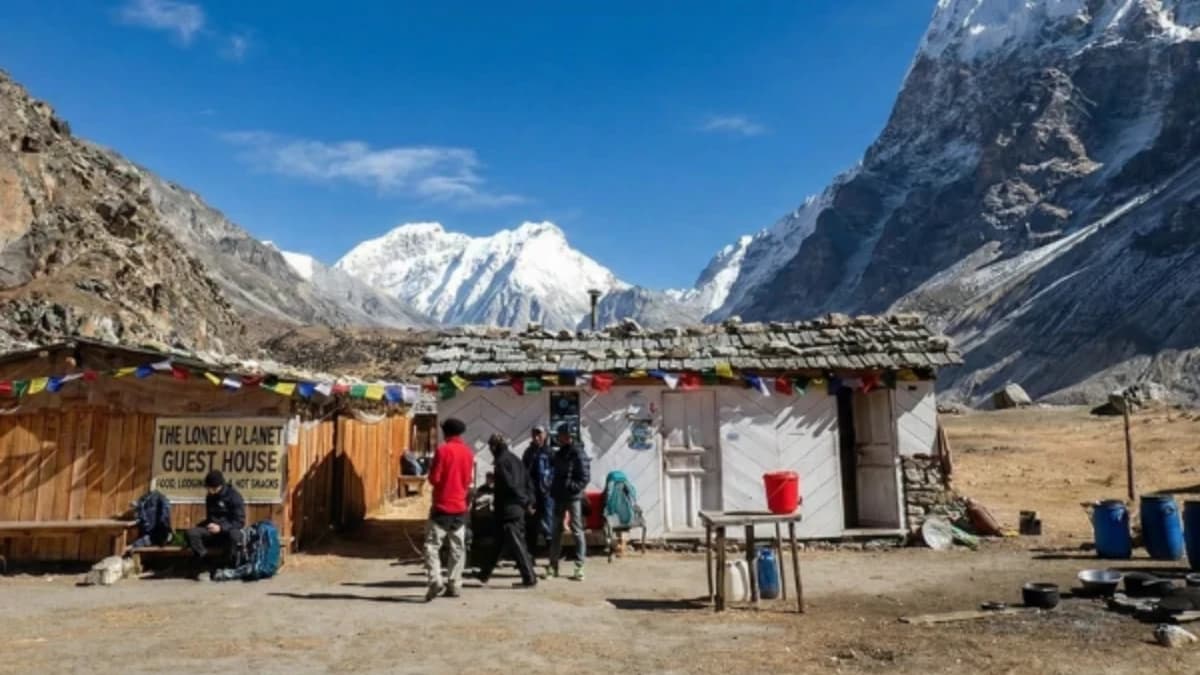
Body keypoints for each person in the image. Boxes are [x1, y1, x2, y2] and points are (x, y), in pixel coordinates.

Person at [476, 435, 538, 588]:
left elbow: (510, 485)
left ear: (494, 447)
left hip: (509, 509)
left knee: (517, 544)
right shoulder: (515, 460)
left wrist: (525, 502)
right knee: (497, 542)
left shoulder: (501, 462)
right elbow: (528, 481)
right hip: (514, 508)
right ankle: (484, 573)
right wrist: (529, 500)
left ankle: (529, 577)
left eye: (490, 447)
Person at [423, 417, 474, 602]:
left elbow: (434, 479)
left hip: (442, 507)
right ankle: (454, 583)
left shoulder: (443, 451)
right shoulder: (468, 453)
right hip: (460, 508)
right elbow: (468, 481)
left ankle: (435, 579)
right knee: (458, 549)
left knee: (431, 547)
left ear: (446, 432)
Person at [548, 424, 590, 581]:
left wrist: (573, 487)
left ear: (567, 436)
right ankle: (553, 566)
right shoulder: (560, 453)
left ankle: (579, 566)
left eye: (560, 435)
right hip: (559, 496)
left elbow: (585, 476)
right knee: (555, 531)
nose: (558, 438)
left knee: (577, 530)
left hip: (573, 497)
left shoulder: (578, 453)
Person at [185, 470, 246, 568]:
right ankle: (204, 561)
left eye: (210, 488)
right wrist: (204, 525)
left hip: (227, 532)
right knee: (191, 533)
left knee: (235, 535)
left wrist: (221, 527)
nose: (208, 490)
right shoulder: (210, 497)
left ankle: (226, 565)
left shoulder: (234, 496)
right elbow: (211, 517)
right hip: (212, 531)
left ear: (218, 486)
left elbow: (239, 521)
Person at [522, 425, 554, 560]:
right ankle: (530, 556)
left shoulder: (550, 452)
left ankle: (552, 557)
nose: (536, 437)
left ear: (545, 435)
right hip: (532, 495)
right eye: (534, 434)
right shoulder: (528, 453)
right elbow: (523, 473)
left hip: (547, 494)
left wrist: (550, 485)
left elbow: (555, 472)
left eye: (539, 434)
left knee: (549, 524)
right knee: (531, 526)